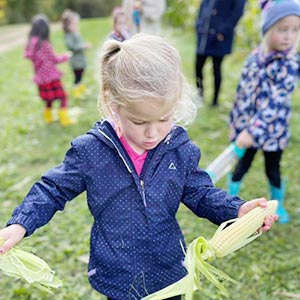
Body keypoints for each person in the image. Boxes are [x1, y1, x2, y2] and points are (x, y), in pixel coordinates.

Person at [0, 34, 277, 300]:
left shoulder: (178, 150)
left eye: (164, 119)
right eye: (139, 122)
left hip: (169, 273)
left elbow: (201, 193)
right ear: (112, 103)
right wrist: (21, 224)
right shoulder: (91, 151)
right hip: (117, 277)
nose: (152, 133)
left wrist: (236, 210)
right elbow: (52, 190)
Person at [228, 0, 300, 224]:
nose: (289, 36)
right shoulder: (254, 59)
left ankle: (277, 204)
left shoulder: (290, 65)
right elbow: (242, 92)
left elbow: (275, 103)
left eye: (295, 30)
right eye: (282, 29)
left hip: (272, 133)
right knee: (242, 165)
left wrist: (252, 131)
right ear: (268, 30)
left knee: (273, 169)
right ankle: (231, 199)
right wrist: (235, 124)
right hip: (246, 130)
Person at [25, 14, 74, 126]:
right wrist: (66, 56)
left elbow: (28, 55)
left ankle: (48, 117)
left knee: (49, 99)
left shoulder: (32, 44)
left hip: (41, 79)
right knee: (63, 97)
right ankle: (64, 119)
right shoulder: (44, 44)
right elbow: (54, 59)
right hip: (51, 77)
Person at [195, 0, 246, 106]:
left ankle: (215, 100)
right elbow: (203, 5)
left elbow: (237, 12)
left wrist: (223, 31)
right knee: (198, 66)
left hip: (220, 37)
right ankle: (199, 95)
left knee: (216, 68)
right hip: (204, 34)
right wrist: (199, 24)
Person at [61, 9, 91, 99]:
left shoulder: (75, 33)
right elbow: (72, 47)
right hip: (75, 61)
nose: (75, 26)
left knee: (81, 74)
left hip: (80, 60)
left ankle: (81, 89)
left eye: (76, 24)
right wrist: (83, 46)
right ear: (67, 25)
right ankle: (77, 91)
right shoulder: (68, 35)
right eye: (73, 24)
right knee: (77, 76)